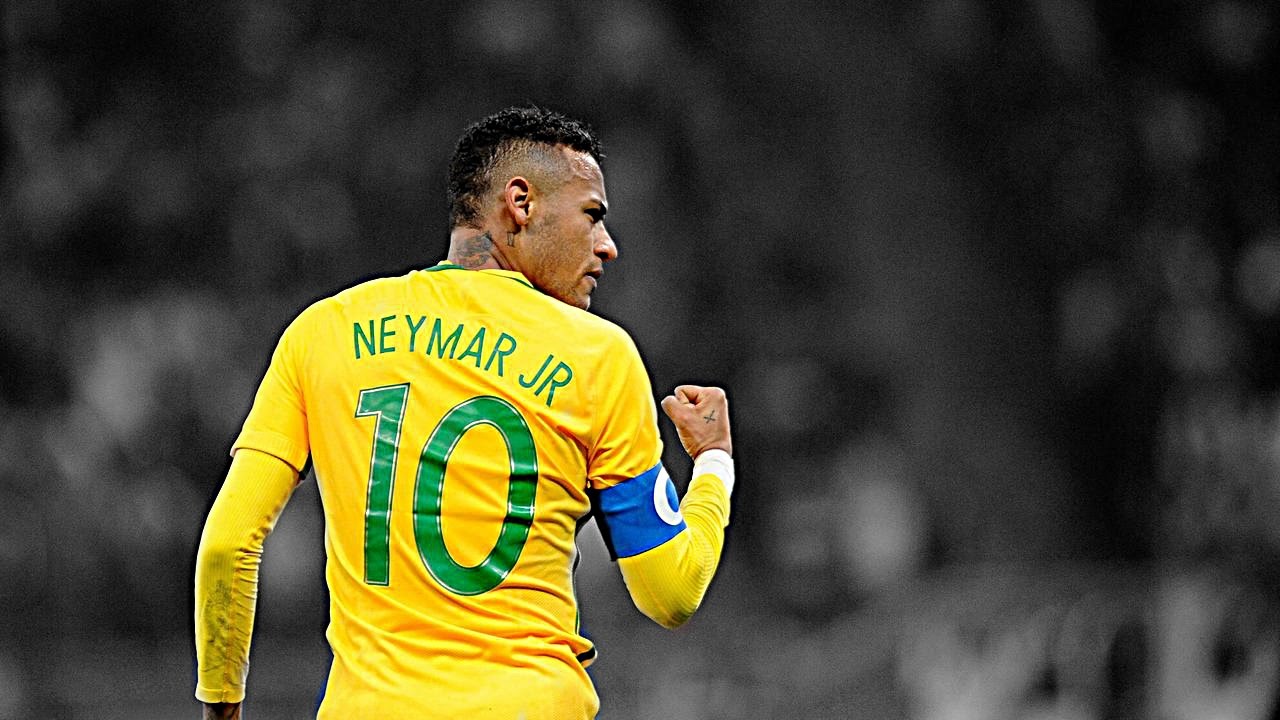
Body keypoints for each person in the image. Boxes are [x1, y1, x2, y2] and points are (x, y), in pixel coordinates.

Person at [193, 105, 736, 719]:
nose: (606, 246)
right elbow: (670, 592)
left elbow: (227, 544)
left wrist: (222, 704)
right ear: (521, 203)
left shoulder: (322, 332)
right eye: (592, 215)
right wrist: (714, 462)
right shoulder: (597, 355)